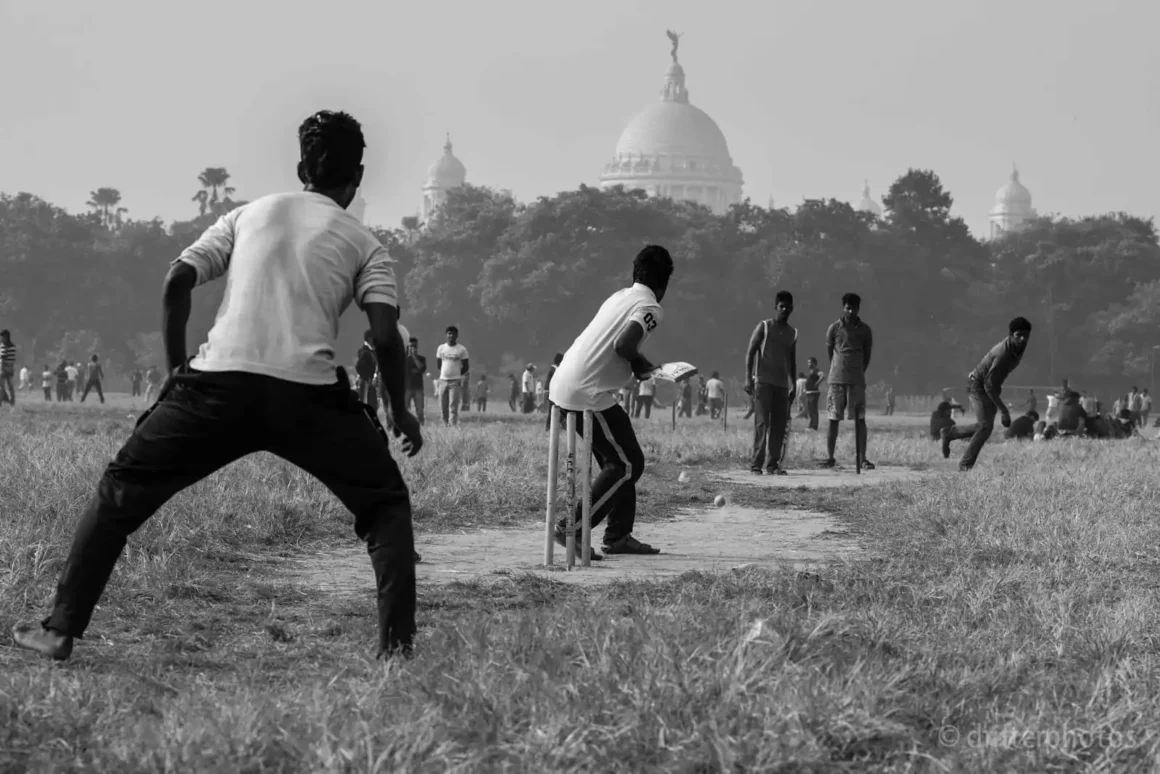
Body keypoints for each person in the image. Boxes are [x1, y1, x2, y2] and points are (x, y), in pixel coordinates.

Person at [12, 109, 422, 662]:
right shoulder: (367, 244)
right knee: (385, 507)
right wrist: (399, 410)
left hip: (214, 388)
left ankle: (60, 628)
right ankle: (396, 654)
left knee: (119, 495)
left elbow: (177, 280)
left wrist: (175, 371)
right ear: (359, 177)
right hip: (309, 397)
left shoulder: (248, 215)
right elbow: (385, 336)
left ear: (301, 168)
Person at [549, 244, 672, 559]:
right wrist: (642, 364)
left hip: (566, 383)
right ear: (664, 284)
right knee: (627, 464)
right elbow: (623, 344)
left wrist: (637, 366)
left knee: (619, 461)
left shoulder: (619, 296)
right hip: (586, 392)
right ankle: (573, 527)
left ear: (635, 273)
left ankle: (618, 535)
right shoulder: (651, 306)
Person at [940, 317, 1032, 470]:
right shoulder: (1003, 354)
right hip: (979, 387)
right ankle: (964, 465)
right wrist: (1004, 411)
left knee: (985, 428)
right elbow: (988, 385)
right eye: (1018, 335)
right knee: (984, 427)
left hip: (990, 387)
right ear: (1011, 335)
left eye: (1026, 335)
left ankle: (950, 434)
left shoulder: (1018, 347)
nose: (1022, 339)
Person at [745, 291, 797, 475]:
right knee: (762, 423)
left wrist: (793, 384)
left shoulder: (792, 333)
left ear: (792, 308)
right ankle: (756, 464)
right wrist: (748, 378)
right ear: (776, 307)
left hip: (782, 385)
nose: (784, 309)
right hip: (763, 382)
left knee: (779, 425)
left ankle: (773, 464)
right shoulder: (764, 327)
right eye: (781, 306)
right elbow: (751, 352)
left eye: (787, 307)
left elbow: (792, 361)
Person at [822, 293, 875, 469]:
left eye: (854, 308)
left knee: (860, 420)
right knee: (833, 419)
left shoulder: (865, 330)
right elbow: (830, 353)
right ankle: (830, 457)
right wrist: (838, 368)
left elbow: (867, 356)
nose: (850, 312)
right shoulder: (834, 328)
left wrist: (858, 370)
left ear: (858, 309)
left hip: (857, 381)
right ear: (843, 308)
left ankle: (862, 458)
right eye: (848, 308)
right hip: (836, 380)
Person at [435, 326, 469, 426]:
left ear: (457, 335)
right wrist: (445, 373)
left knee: (453, 406)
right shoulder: (441, 348)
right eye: (449, 333)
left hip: (455, 382)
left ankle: (453, 427)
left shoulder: (462, 349)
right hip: (443, 381)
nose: (451, 336)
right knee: (443, 406)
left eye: (453, 334)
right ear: (446, 335)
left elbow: (466, 366)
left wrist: (456, 373)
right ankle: (445, 426)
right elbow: (439, 365)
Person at [404, 336, 427, 425]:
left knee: (420, 411)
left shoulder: (422, 359)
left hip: (418, 388)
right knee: (404, 410)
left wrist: (414, 357)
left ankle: (422, 427)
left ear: (417, 347)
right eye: (411, 346)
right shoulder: (404, 359)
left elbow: (422, 369)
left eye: (414, 346)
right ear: (408, 347)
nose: (412, 348)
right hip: (406, 388)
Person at [543, 353, 563, 430]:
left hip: (551, 391)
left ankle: (550, 427)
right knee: (554, 409)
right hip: (551, 391)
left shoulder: (554, 368)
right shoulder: (554, 369)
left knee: (554, 409)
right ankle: (549, 427)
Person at [803, 357, 823, 430]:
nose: (808, 364)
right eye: (808, 362)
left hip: (814, 393)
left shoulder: (816, 370)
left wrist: (817, 383)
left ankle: (814, 426)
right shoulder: (811, 371)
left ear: (814, 363)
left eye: (810, 362)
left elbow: (822, 376)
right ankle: (811, 425)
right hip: (809, 393)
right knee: (810, 410)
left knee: (813, 410)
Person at [0, 330, 15, 405]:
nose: (1, 338)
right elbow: (12, 359)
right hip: (10, 367)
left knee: (1, 387)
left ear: (5, 337)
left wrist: (1, 369)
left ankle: (0, 402)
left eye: (2, 337)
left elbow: (2, 358)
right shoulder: (13, 346)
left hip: (3, 367)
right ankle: (12, 402)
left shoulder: (3, 345)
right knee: (11, 387)